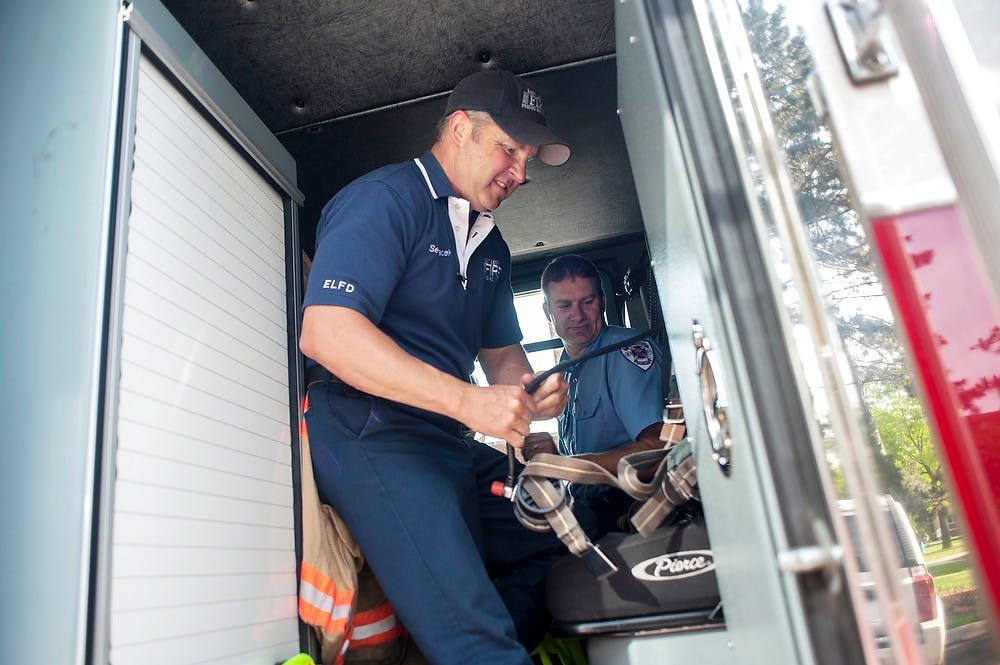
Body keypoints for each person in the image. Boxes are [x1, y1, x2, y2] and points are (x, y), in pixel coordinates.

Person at [299, 70, 571, 665]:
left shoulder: (491, 246)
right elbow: (327, 333)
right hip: (369, 430)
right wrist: (473, 404)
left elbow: (501, 359)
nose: (521, 173)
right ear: (459, 130)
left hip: (443, 441)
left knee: (561, 531)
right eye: (510, 149)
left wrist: (531, 395)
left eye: (528, 158)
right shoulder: (385, 200)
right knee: (477, 640)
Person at [527, 253, 680, 539]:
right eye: (564, 305)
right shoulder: (566, 369)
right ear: (548, 312)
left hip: (633, 512)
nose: (577, 315)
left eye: (588, 302)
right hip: (589, 512)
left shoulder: (623, 351)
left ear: (603, 303)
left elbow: (657, 452)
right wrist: (555, 456)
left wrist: (564, 466)